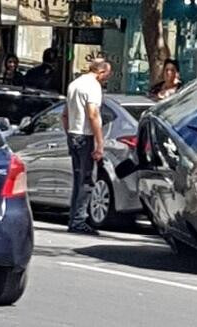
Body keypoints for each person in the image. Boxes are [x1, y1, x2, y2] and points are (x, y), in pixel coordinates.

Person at [61, 59, 112, 235]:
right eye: (107, 74)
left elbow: (65, 114)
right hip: (85, 136)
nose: (107, 78)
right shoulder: (93, 86)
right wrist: (99, 142)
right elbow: (93, 114)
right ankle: (79, 220)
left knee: (78, 179)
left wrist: (69, 134)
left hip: (73, 134)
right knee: (87, 180)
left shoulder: (74, 84)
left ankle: (73, 218)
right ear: (101, 72)